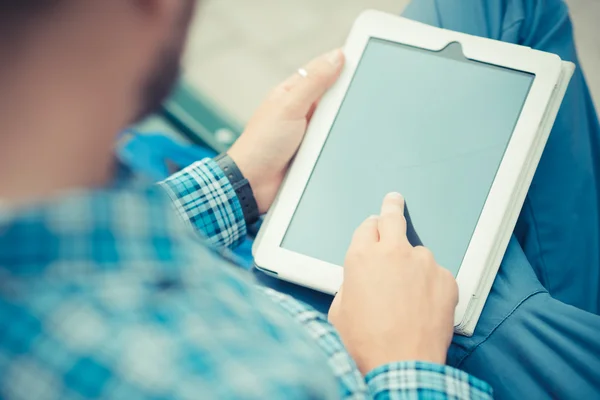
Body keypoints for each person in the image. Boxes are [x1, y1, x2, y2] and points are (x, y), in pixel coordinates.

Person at [0, 0, 598, 399]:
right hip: (386, 364)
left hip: (260, 289)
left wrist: (238, 183)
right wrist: (405, 363)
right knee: (503, 310)